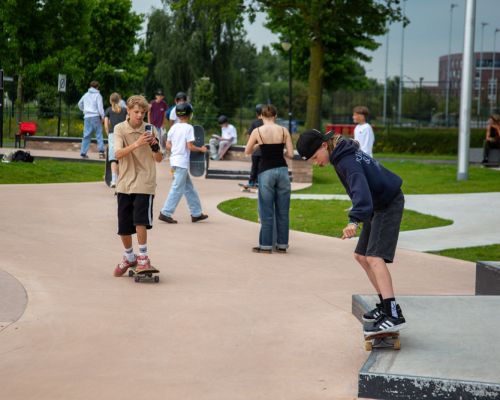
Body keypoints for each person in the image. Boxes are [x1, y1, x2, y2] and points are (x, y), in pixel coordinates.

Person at [296, 130, 407, 335]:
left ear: (323, 146)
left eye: (314, 157)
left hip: (387, 203)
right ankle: (385, 304)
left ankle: (393, 314)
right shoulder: (340, 155)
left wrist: (354, 221)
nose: (315, 163)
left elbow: (361, 192)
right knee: (361, 256)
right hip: (376, 204)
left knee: (374, 257)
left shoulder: (346, 161)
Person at [112, 95, 163, 277]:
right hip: (125, 183)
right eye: (136, 112)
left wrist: (154, 146)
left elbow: (159, 159)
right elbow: (117, 153)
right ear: (129, 111)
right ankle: (129, 256)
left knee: (140, 220)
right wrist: (137, 143)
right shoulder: (119, 129)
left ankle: (143, 257)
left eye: (143, 112)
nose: (140, 115)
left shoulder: (151, 130)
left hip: (145, 181)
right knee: (123, 226)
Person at [245, 104, 294, 254]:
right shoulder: (284, 130)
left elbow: (247, 151)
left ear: (261, 116)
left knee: (266, 210)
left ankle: (266, 246)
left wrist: (260, 146)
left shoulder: (257, 131)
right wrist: (281, 150)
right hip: (283, 170)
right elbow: (291, 154)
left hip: (266, 171)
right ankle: (282, 245)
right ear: (275, 116)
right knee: (283, 211)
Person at [158, 102, 208, 224]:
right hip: (181, 162)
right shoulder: (189, 128)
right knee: (177, 188)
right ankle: (165, 212)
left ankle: (196, 213)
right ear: (190, 114)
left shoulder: (173, 128)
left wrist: (176, 147)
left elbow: (168, 145)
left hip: (174, 160)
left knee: (189, 188)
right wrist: (201, 149)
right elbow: (190, 146)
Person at [104, 92, 128, 188]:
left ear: (110, 100)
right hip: (122, 134)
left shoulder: (108, 110)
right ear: (120, 100)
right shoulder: (124, 110)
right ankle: (121, 179)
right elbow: (127, 123)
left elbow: (106, 124)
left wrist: (108, 134)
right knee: (121, 157)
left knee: (113, 158)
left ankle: (113, 180)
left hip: (112, 134)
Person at [78, 81, 106, 159]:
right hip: (95, 116)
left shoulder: (86, 95)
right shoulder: (98, 95)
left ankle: (83, 153)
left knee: (86, 135)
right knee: (99, 134)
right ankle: (101, 152)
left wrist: (84, 109)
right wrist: (103, 116)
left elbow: (79, 104)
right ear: (97, 87)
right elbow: (100, 107)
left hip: (87, 117)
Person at [245, 104, 264, 187]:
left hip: (255, 150)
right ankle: (260, 181)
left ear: (256, 114)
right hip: (264, 149)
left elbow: (249, 136)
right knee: (261, 167)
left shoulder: (254, 123)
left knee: (254, 166)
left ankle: (251, 181)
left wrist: (250, 145)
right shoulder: (267, 123)